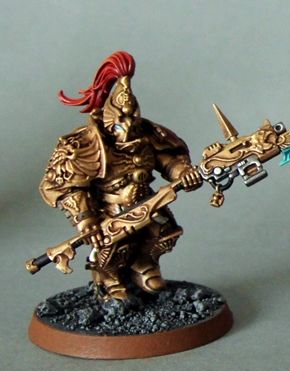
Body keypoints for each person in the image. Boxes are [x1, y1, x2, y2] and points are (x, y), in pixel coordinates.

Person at [39, 51, 202, 302]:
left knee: (165, 232)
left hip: (148, 201)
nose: (128, 123)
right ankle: (109, 279)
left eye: (132, 115)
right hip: (111, 210)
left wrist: (183, 173)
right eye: (122, 116)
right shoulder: (87, 144)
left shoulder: (147, 134)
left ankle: (144, 264)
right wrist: (85, 218)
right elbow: (68, 186)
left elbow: (168, 159)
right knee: (114, 246)